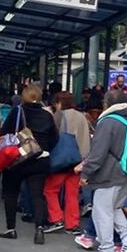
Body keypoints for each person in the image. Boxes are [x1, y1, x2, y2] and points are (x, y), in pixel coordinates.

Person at [80, 89, 127, 252]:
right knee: (115, 207)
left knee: (102, 211)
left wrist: (86, 173)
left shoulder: (107, 122)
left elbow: (98, 153)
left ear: (106, 104)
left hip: (109, 174)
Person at [0, 84, 58, 244]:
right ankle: (39, 228)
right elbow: (54, 138)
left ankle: (11, 229)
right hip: (40, 160)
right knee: (37, 195)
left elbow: (4, 133)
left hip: (18, 159)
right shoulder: (47, 115)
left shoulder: (17, 112)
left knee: (11, 193)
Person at [43, 91, 90, 234]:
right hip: (78, 161)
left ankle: (56, 218)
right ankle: (72, 224)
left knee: (50, 190)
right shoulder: (82, 116)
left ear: (59, 103)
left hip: (61, 160)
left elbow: (52, 137)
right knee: (72, 193)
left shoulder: (58, 115)